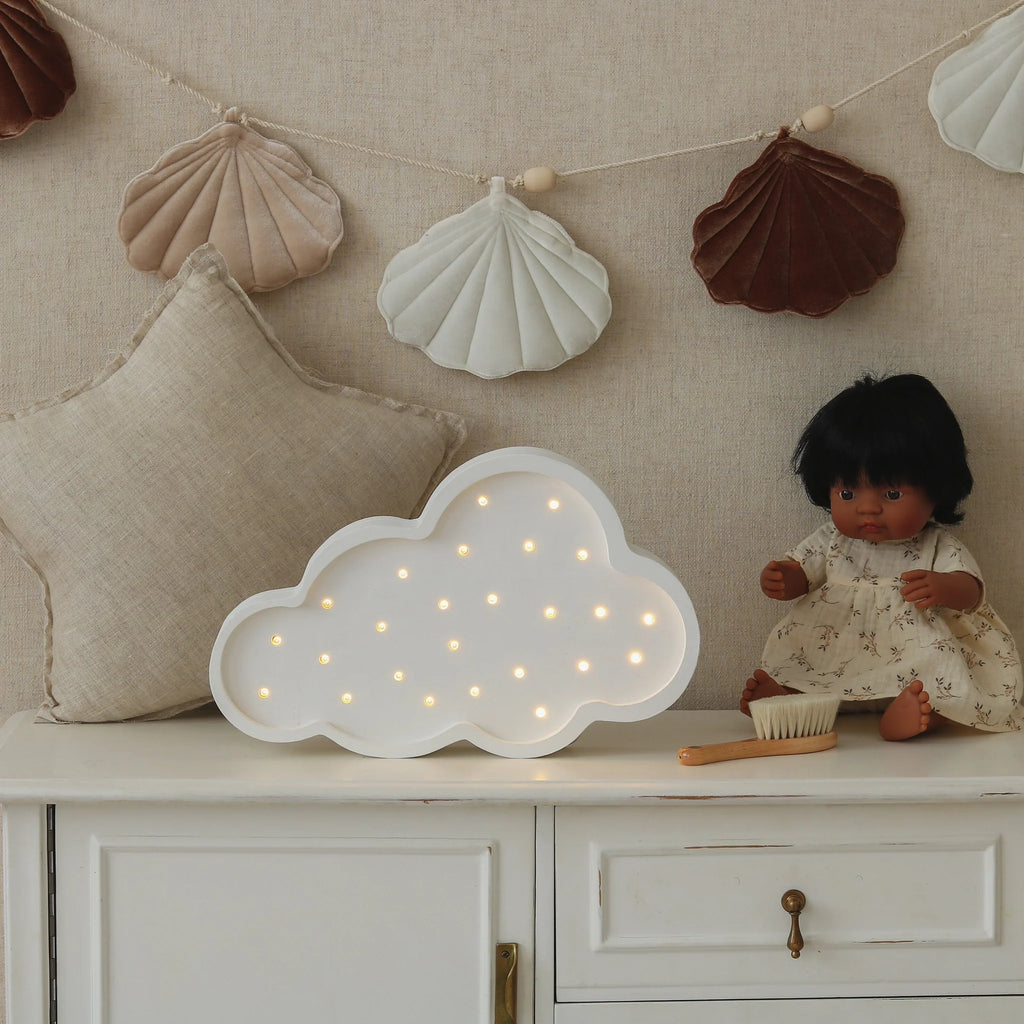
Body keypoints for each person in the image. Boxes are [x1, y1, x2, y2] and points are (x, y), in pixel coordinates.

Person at [744, 373, 1023, 740]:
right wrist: (785, 578)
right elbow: (803, 571)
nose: (868, 509)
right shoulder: (830, 541)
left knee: (942, 675)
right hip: (839, 644)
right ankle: (788, 701)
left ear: (936, 489)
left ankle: (924, 712)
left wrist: (944, 587)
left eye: (891, 495)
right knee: (804, 660)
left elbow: (971, 594)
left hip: (913, 648)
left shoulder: (934, 546)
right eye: (847, 494)